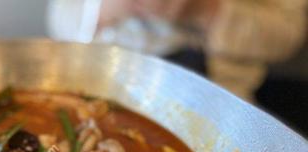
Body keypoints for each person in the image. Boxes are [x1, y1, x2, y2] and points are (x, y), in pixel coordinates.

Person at [47, 0, 307, 101]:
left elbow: (287, 37)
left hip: (222, 94)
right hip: (106, 80)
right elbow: (60, 20)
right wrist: (104, 10)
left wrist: (206, 10)